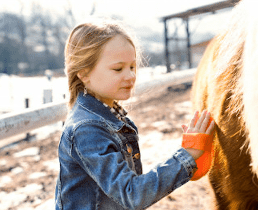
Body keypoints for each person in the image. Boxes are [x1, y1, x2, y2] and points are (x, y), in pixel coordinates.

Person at [55, 20, 215, 210]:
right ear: (83, 73)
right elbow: (132, 194)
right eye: (118, 69)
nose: (130, 76)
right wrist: (187, 156)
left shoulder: (110, 118)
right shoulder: (87, 129)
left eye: (132, 67)